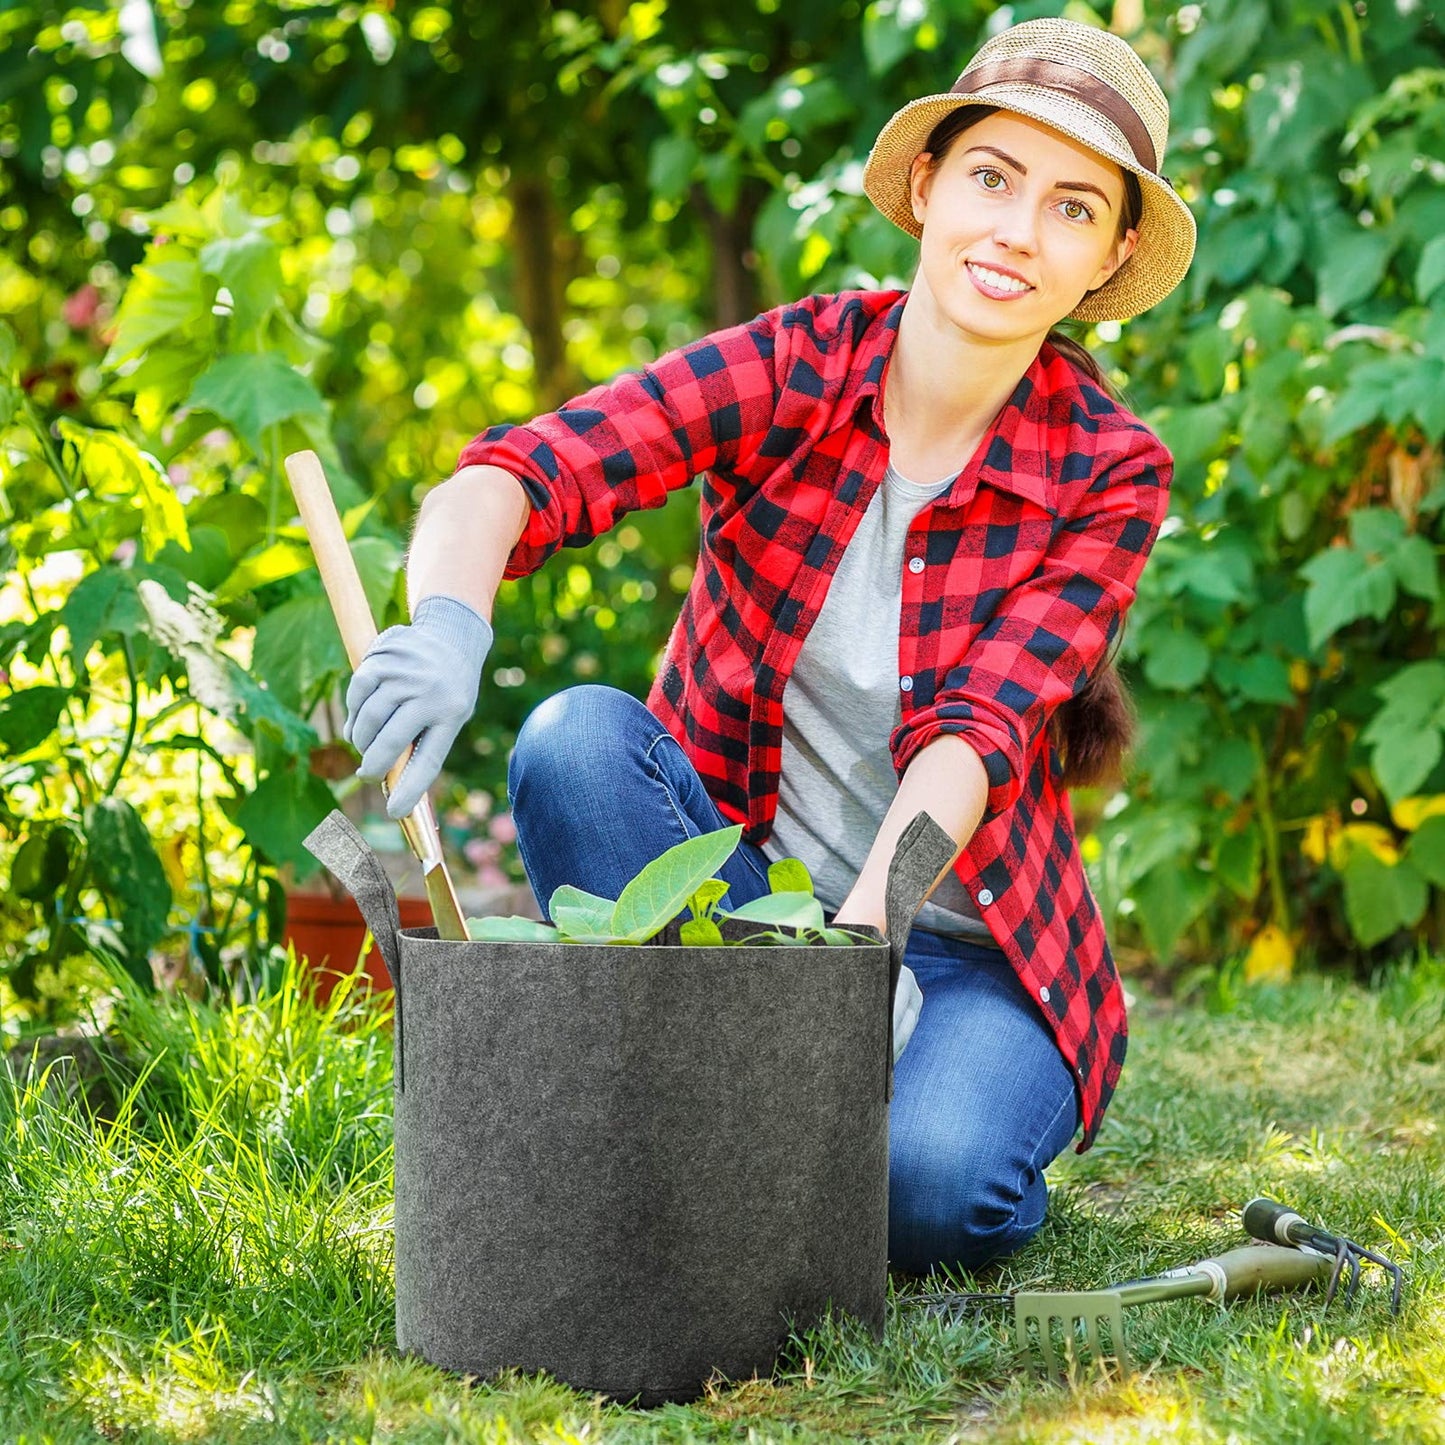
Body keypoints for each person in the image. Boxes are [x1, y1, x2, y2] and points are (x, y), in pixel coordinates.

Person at [343, 16, 1196, 1276]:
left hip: (962, 946)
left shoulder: (1107, 468)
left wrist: (859, 962)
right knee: (573, 739)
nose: (1016, 231)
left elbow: (980, 729)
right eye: (990, 178)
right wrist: (448, 626)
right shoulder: (800, 363)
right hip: (743, 914)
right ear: (925, 185)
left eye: (1070, 208)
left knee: (925, 1197)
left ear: (1110, 254)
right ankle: (750, 1116)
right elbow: (519, 474)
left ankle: (787, 1123)